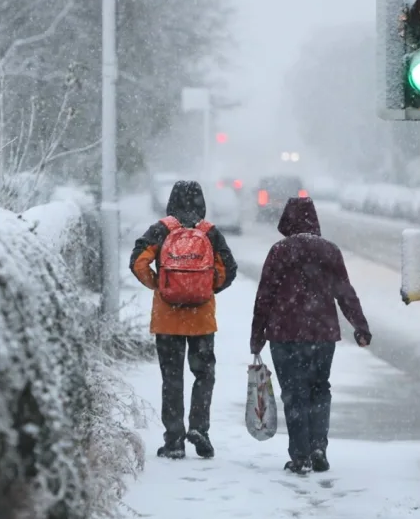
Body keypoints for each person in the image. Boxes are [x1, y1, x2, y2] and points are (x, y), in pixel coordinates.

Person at [250, 196, 371, 474]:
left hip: (285, 334)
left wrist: (257, 336)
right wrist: (360, 326)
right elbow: (345, 292)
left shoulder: (280, 251)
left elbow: (264, 297)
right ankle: (319, 447)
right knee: (319, 389)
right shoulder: (329, 251)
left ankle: (300, 454)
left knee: (293, 393)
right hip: (321, 334)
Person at [130, 180, 238, 460]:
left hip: (167, 319)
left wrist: (160, 285)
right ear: (202, 202)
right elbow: (228, 269)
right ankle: (200, 428)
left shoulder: (161, 229)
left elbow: (138, 261)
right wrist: (205, 289)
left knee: (172, 377)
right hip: (201, 319)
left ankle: (174, 440)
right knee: (203, 375)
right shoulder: (209, 232)